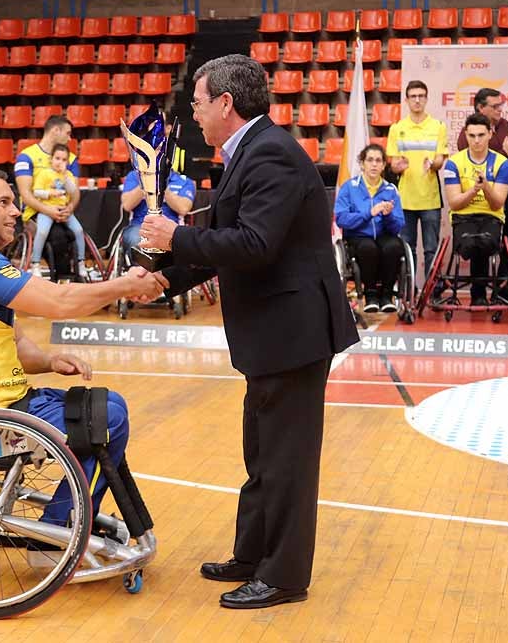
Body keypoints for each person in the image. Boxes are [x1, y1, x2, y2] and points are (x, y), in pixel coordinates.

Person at [140, 54, 358, 610]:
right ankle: (253, 554)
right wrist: (159, 280)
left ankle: (283, 575)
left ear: (225, 104)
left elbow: (253, 246)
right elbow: (225, 245)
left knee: (285, 461)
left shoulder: (272, 156)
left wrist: (173, 238)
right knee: (261, 453)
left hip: (293, 331)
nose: (194, 112)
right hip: (272, 333)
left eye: (197, 103)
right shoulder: (249, 153)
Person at [0, 167, 162, 527]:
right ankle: (58, 527)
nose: (16, 211)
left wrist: (49, 360)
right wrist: (123, 286)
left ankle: (70, 516)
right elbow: (59, 301)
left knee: (111, 404)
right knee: (106, 421)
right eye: (3, 202)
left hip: (0, 403)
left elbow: (12, 341)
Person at [457, 88, 508, 296]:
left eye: (501, 105)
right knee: (482, 242)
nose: (499, 110)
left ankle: (503, 287)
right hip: (480, 196)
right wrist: (505, 151)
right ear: (480, 107)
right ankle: (478, 293)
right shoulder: (468, 133)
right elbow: (475, 160)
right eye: (495, 106)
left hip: (507, 191)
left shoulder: (505, 125)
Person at [443, 113, 508, 306]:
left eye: (481, 135)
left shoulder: (502, 163)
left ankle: (479, 293)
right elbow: (455, 203)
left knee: (485, 242)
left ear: (490, 134)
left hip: (491, 217)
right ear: (465, 134)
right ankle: (478, 292)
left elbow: (497, 203)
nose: (476, 140)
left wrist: (486, 187)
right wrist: (474, 190)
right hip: (463, 217)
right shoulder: (453, 163)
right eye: (472, 135)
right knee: (470, 243)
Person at [386, 80, 448, 280]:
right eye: (413, 96)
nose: (417, 100)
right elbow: (393, 163)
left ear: (427, 99)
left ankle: (432, 291)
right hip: (405, 199)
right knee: (406, 248)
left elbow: (441, 158)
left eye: (421, 96)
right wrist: (398, 166)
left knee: (431, 249)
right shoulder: (397, 128)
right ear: (407, 100)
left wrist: (433, 164)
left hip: (430, 198)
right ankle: (409, 290)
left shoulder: (438, 126)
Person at [334, 143, 406, 313]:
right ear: (362, 163)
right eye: (370, 160)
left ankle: (387, 296)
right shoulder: (349, 187)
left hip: (383, 234)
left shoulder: (390, 189)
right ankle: (371, 295)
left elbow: (398, 225)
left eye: (378, 161)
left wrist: (388, 215)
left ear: (383, 165)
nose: (374, 164)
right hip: (358, 235)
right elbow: (341, 218)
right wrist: (369, 213)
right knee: (368, 248)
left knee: (394, 246)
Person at [23, 143, 87, 280]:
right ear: (51, 159)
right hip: (47, 209)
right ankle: (35, 263)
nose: (60, 162)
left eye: (64, 160)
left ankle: (81, 261)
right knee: (42, 231)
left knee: (79, 230)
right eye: (57, 158)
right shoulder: (44, 174)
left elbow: (72, 191)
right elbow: (37, 192)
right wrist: (50, 193)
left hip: (64, 210)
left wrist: (65, 176)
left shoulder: (68, 175)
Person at [119, 166, 195, 262]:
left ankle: (153, 274)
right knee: (136, 241)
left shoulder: (184, 181)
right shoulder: (134, 176)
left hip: (171, 229)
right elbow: (127, 205)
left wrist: (162, 185)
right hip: (140, 227)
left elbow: (183, 209)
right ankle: (142, 273)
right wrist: (146, 181)